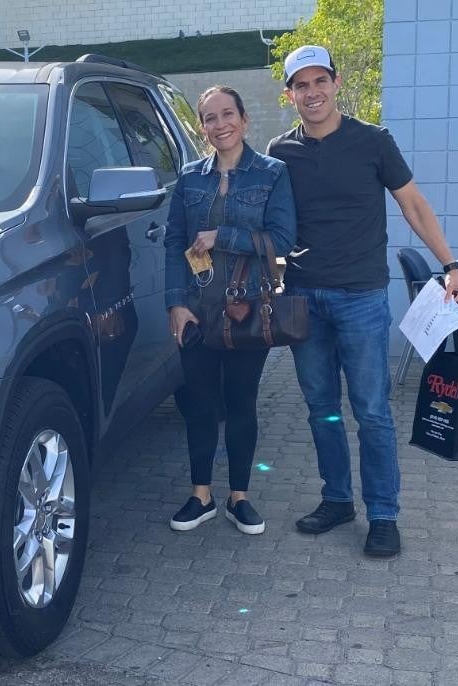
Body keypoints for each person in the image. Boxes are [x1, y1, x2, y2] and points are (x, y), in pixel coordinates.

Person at [266, 46, 458, 557]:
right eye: (301, 85)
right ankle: (337, 499)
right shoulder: (279, 151)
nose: (311, 93)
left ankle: (383, 513)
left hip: (360, 297)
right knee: (320, 408)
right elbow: (270, 223)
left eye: (320, 82)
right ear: (289, 94)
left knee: (372, 410)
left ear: (335, 83)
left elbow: (413, 205)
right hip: (303, 298)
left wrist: (450, 264)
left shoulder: (372, 141)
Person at [163, 85, 297, 535]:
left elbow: (283, 239)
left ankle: (239, 496)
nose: (220, 125)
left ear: (244, 118)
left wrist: (223, 236)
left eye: (228, 114)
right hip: (197, 311)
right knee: (199, 405)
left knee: (241, 402)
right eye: (210, 118)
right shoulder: (189, 178)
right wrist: (175, 304)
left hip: (247, 311)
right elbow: (174, 245)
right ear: (201, 127)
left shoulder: (271, 173)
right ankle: (201, 495)